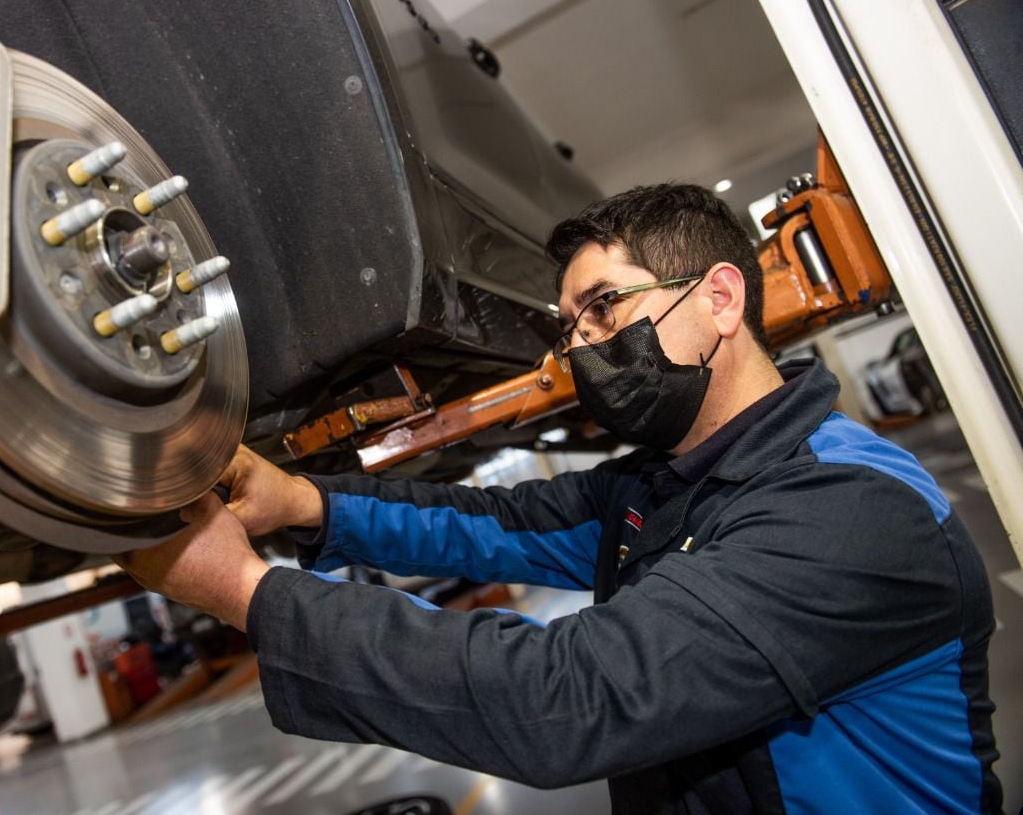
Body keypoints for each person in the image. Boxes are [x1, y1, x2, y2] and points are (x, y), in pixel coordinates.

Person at [116, 184, 1001, 813]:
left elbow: (569, 700)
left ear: (720, 299)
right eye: (571, 326)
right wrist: (303, 502)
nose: (579, 349)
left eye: (604, 308)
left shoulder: (847, 509)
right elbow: (494, 526)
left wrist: (247, 594)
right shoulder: (665, 485)